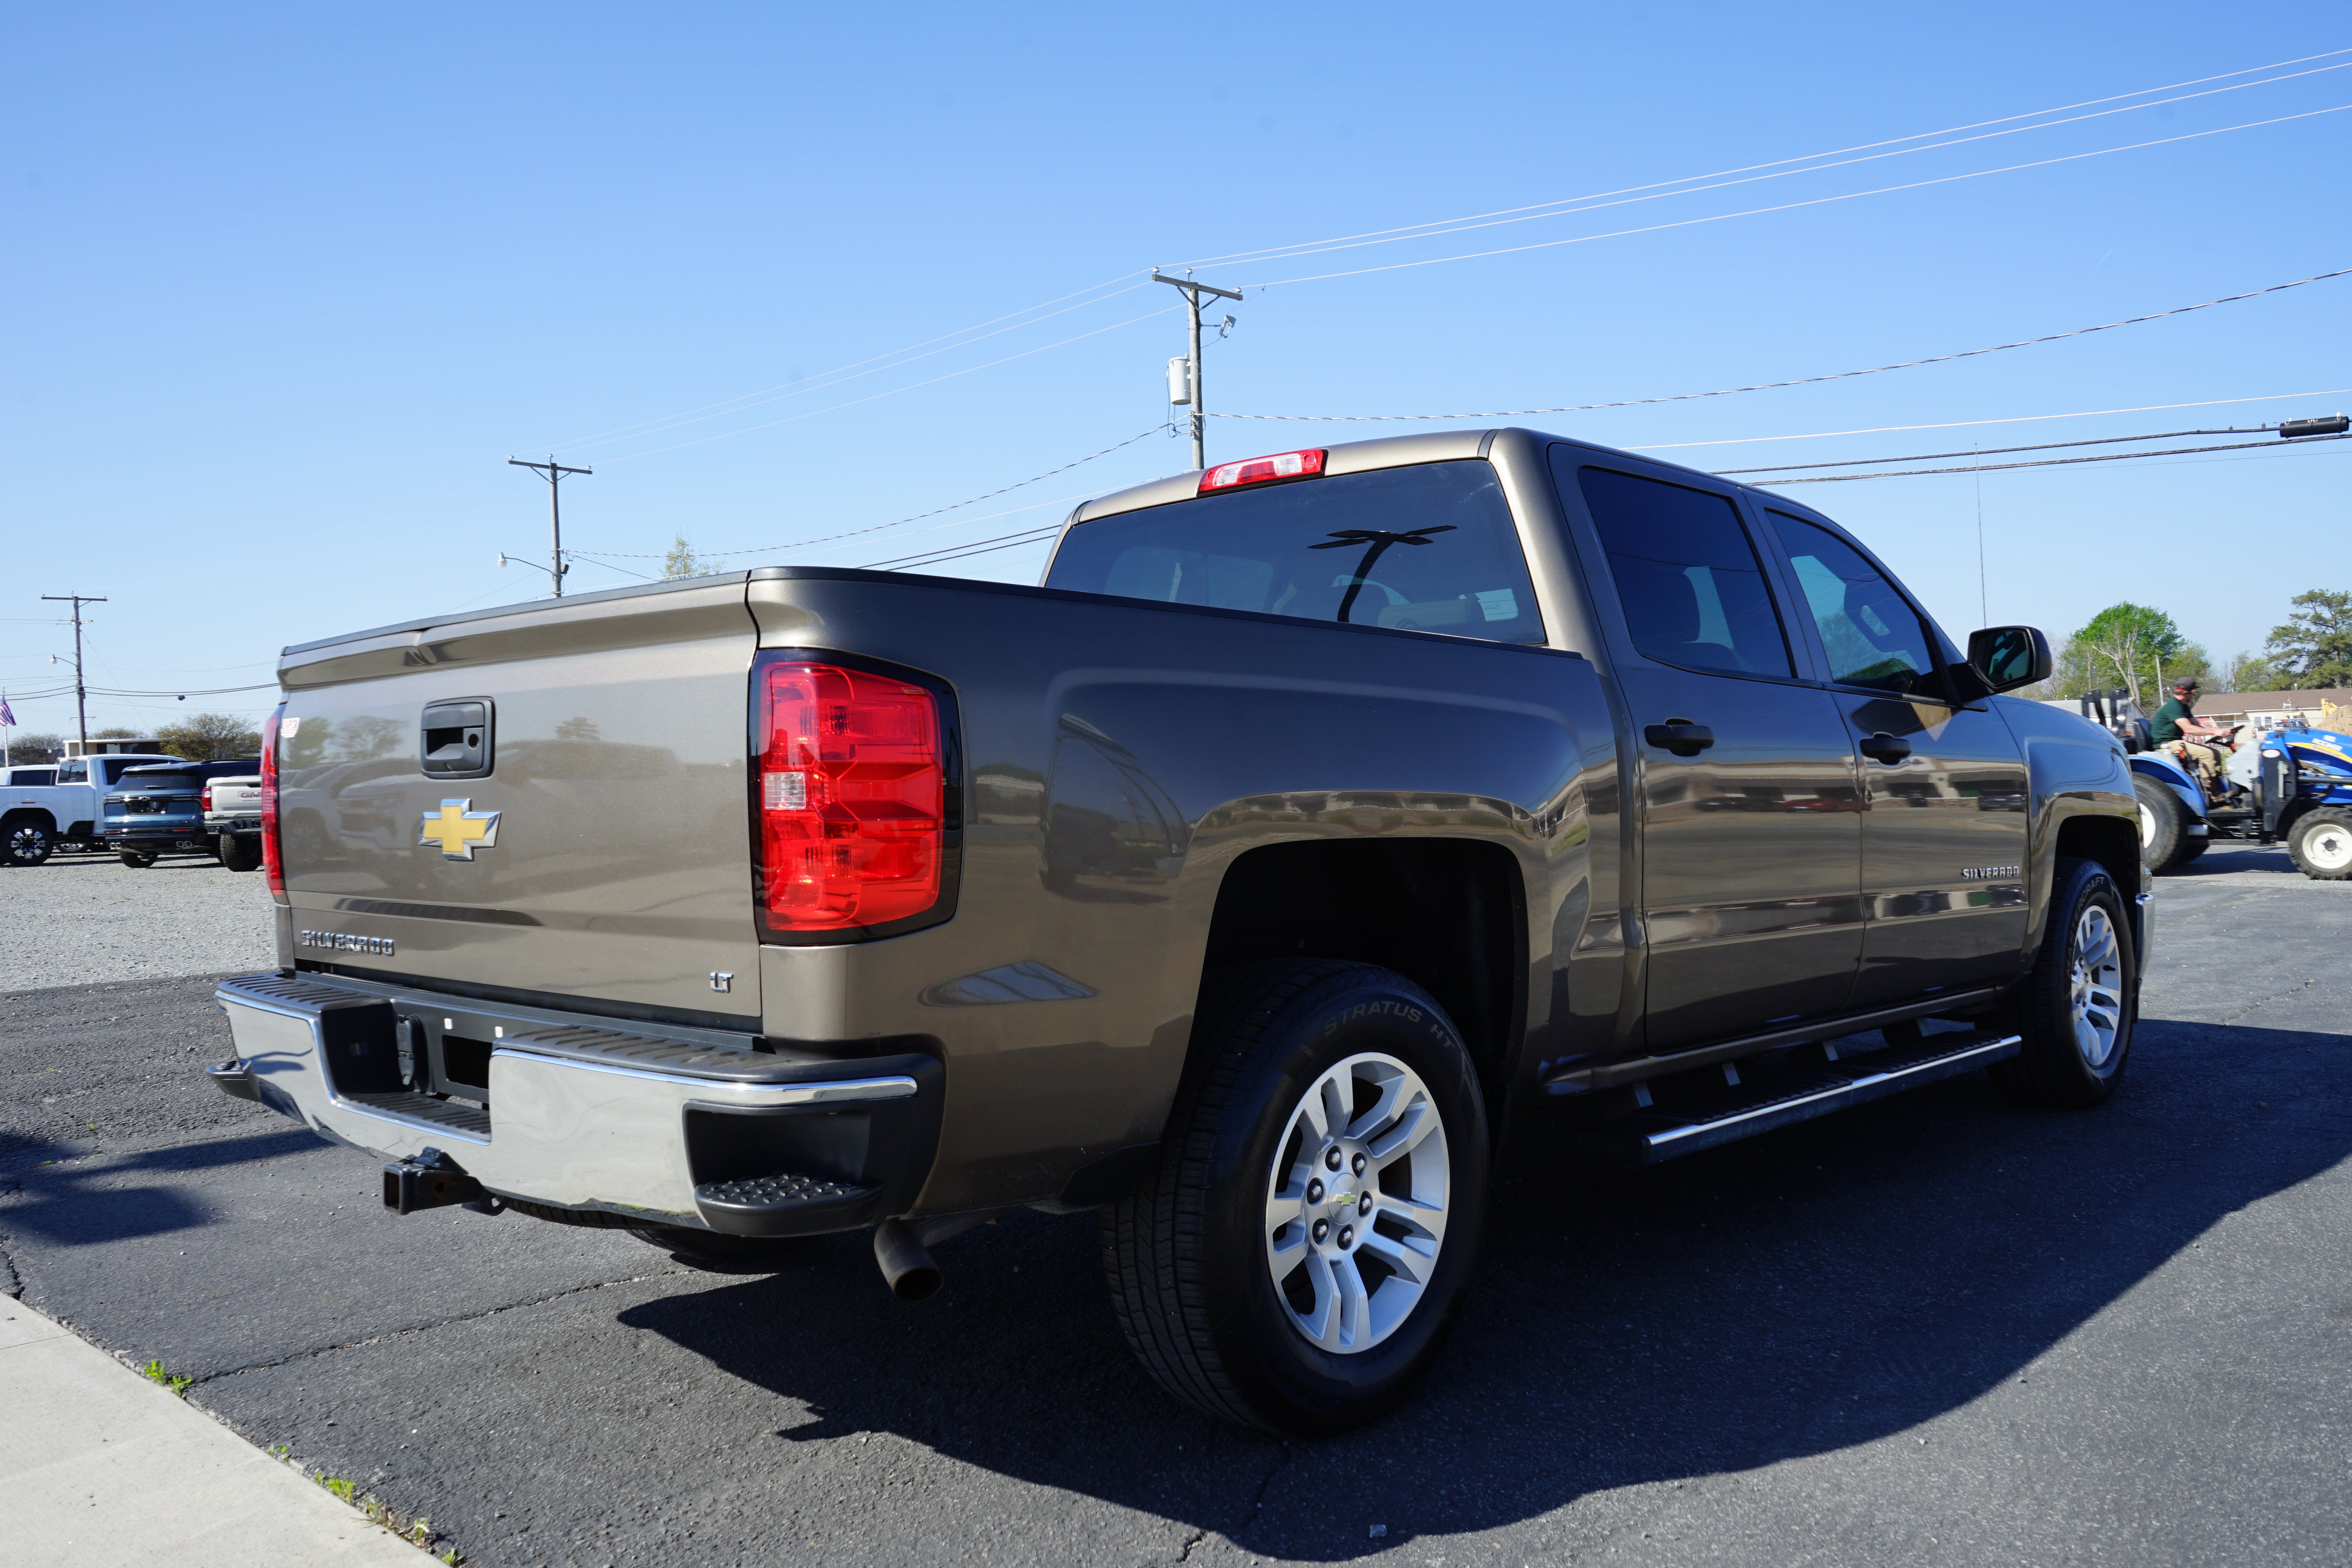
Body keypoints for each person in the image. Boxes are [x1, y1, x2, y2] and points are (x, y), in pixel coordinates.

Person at [2150, 677, 2230, 793]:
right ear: (2192, 692)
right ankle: (2211, 794)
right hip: (2165, 744)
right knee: (2207, 754)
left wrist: (2223, 731)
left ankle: (2219, 790)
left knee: (2216, 753)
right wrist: (2214, 732)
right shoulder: (2174, 705)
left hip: (2175, 742)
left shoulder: (2183, 706)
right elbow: (2188, 728)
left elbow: (2197, 726)